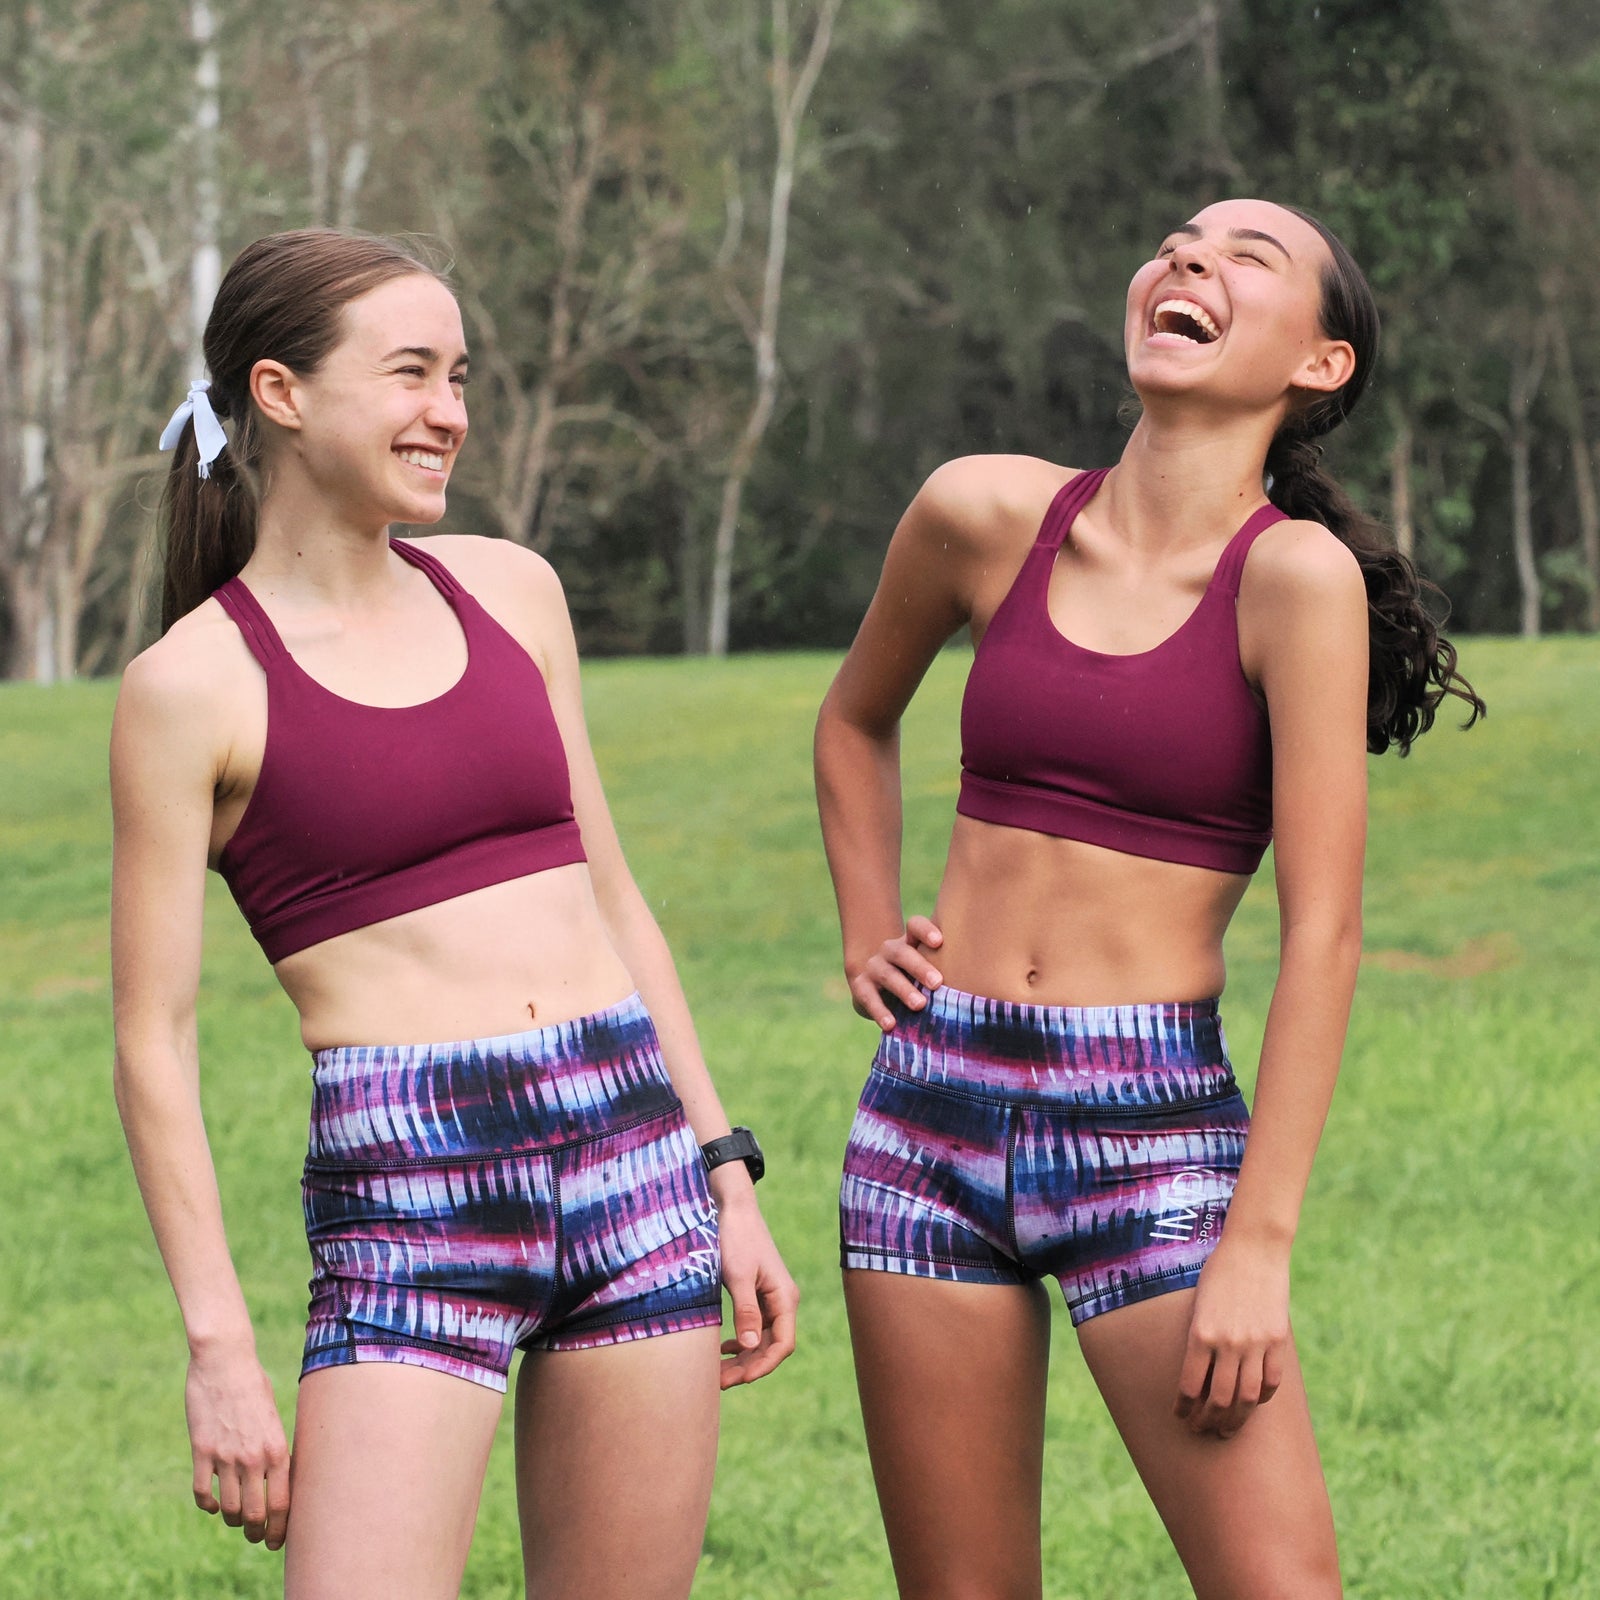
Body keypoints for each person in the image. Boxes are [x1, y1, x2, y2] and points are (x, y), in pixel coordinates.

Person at [111, 228, 797, 1600]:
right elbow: (151, 1044)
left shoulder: (511, 591)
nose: (451, 414)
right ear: (283, 392)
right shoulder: (192, 687)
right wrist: (220, 1352)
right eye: (413, 373)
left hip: (630, 1147)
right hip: (412, 1177)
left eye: (461, 376)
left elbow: (613, 899)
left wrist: (720, 1165)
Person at [814, 198, 1483, 1599]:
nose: (1192, 260)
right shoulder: (981, 512)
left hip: (1151, 1133)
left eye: (1250, 258)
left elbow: (1327, 934)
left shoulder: (1292, 582)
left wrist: (1256, 1247)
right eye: (1180, 241)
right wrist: (870, 922)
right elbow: (853, 723)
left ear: (1321, 365)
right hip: (927, 1114)